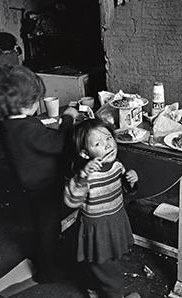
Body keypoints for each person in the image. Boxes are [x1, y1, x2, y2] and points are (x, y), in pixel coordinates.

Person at [0, 65, 79, 282]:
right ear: (28, 103)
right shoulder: (28, 128)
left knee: (41, 222)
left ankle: (44, 254)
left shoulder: (8, 123)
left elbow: (33, 137)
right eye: (36, 99)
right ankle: (47, 272)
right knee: (48, 226)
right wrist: (68, 119)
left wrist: (41, 124)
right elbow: (57, 144)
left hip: (26, 181)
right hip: (43, 184)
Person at [64, 118, 140, 298]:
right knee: (110, 275)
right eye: (98, 143)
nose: (107, 145)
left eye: (109, 138)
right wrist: (82, 176)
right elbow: (72, 201)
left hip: (114, 222)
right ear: (84, 153)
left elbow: (126, 194)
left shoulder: (117, 167)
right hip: (97, 231)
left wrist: (131, 182)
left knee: (97, 265)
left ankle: (93, 291)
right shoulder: (86, 176)